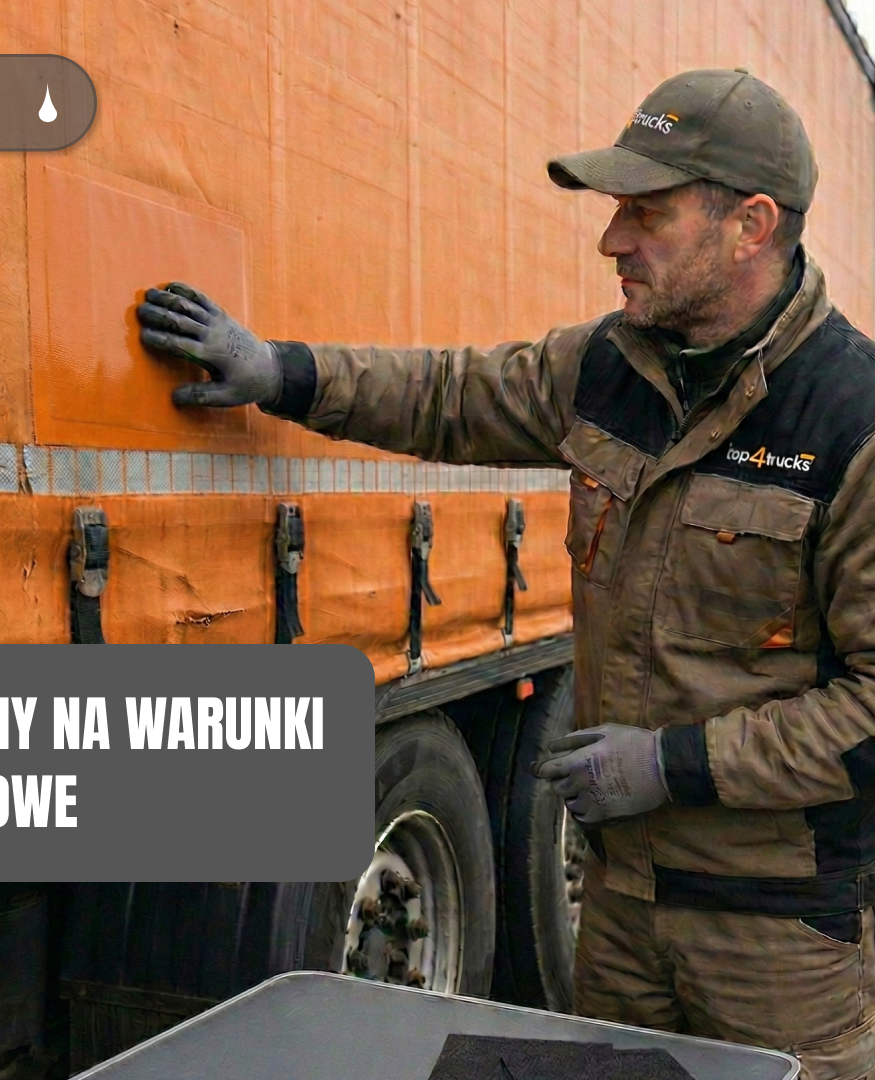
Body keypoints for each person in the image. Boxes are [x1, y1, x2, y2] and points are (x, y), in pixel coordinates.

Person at [135, 69, 875, 1079]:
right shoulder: (612, 367)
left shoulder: (850, 422)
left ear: (750, 226)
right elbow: (449, 396)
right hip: (619, 910)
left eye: (646, 212)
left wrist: (673, 765)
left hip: (777, 940)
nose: (612, 240)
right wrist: (283, 373)